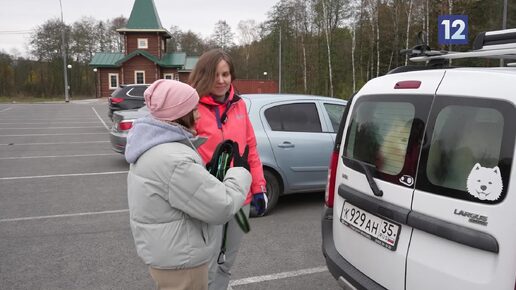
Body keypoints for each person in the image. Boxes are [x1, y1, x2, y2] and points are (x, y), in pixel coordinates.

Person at [125, 79, 252, 290]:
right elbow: (222, 206)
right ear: (180, 114)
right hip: (183, 262)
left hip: (166, 255)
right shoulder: (175, 160)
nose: (199, 114)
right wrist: (240, 172)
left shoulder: (151, 146)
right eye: (194, 109)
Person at [189, 48, 268, 290]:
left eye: (226, 74)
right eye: (216, 75)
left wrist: (259, 187)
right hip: (208, 198)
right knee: (206, 263)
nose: (222, 81)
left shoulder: (240, 105)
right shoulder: (191, 108)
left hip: (240, 198)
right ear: (204, 75)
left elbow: (250, 148)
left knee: (226, 262)